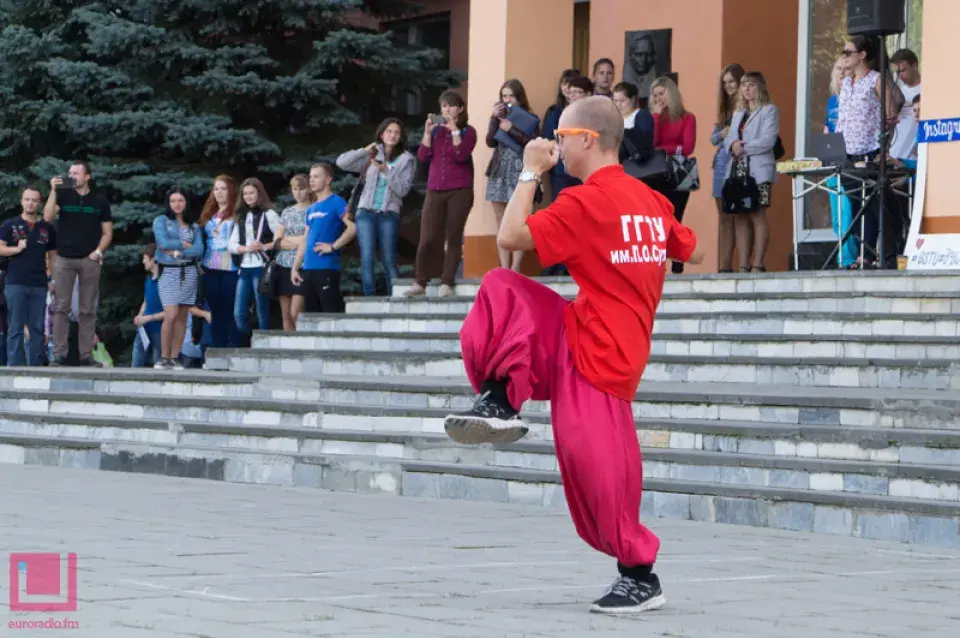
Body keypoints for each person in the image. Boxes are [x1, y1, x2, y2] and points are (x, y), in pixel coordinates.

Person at [443, 96, 703, 614]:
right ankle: (500, 399)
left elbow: (510, 233)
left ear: (587, 139)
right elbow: (690, 247)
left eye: (561, 136)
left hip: (603, 355)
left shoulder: (586, 203)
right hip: (583, 330)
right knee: (501, 287)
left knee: (598, 468)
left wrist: (528, 172)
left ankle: (639, 576)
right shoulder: (649, 201)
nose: (554, 144)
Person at [408, 90, 477, 298]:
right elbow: (422, 156)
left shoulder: (468, 131)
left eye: (451, 105)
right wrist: (428, 133)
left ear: (461, 109)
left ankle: (447, 281)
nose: (447, 109)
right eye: (444, 106)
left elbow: (461, 155)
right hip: (435, 188)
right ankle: (420, 281)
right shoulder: (436, 131)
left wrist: (454, 130)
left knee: (454, 236)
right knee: (427, 237)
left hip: (460, 189)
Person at [44, 161, 113, 366]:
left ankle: (86, 355)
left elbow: (108, 233)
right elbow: (47, 216)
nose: (71, 176)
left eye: (76, 173)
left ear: (87, 176)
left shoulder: (99, 201)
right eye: (70, 173)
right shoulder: (63, 195)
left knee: (87, 309)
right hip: (64, 258)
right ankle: (59, 353)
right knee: (61, 307)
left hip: (89, 259)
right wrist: (53, 190)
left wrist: (98, 251)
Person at [336, 118, 416, 296]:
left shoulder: (406, 159)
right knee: (367, 257)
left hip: (389, 214)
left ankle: (395, 298)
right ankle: (369, 297)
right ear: (381, 134)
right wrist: (364, 150)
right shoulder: (371, 154)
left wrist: (386, 171)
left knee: (389, 258)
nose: (393, 135)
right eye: (389, 131)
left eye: (396, 132)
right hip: (365, 212)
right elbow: (341, 163)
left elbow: (402, 190)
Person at [724, 71, 780, 273]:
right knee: (740, 215)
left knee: (757, 213)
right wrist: (732, 145)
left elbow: (768, 140)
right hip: (737, 168)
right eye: (744, 85)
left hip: (758, 169)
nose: (747, 88)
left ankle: (757, 263)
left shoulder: (769, 110)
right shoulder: (739, 113)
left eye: (752, 84)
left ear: (760, 87)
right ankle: (743, 264)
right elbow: (728, 138)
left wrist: (743, 147)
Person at [485, 79, 540, 271]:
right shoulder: (498, 117)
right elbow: (490, 142)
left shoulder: (530, 118)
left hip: (519, 172)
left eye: (511, 96)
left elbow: (532, 144)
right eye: (504, 96)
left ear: (519, 97)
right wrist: (494, 118)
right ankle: (504, 267)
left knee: (519, 220)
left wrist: (512, 129)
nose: (507, 100)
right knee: (501, 222)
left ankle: (515, 268)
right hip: (499, 170)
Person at [0, 186, 57, 366]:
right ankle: (15, 366)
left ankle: (36, 367)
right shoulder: (10, 224)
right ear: (22, 201)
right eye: (27, 199)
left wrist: (53, 278)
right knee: (15, 326)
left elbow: (53, 256)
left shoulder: (46, 228)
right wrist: (16, 249)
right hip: (15, 282)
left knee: (37, 327)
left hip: (39, 284)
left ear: (39, 203)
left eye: (34, 200)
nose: (30, 203)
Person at [291, 163, 356, 312]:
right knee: (311, 316)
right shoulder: (311, 209)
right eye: (311, 177)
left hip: (326, 268)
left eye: (316, 176)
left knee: (330, 314)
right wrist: (295, 268)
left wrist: (332, 246)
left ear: (328, 180)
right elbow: (305, 240)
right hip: (307, 270)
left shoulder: (337, 202)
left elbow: (352, 228)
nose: (311, 180)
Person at [152, 187, 204, 368]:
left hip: (189, 272)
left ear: (186, 202)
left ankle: (175, 357)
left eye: (180, 200)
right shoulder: (161, 221)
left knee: (182, 316)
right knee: (171, 314)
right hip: (168, 272)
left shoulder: (194, 225)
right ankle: (164, 356)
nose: (177, 204)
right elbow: (163, 242)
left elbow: (199, 250)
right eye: (173, 201)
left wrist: (177, 251)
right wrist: (183, 244)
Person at [650, 76, 697, 275]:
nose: (659, 98)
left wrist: (663, 149)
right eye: (656, 95)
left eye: (663, 93)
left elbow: (687, 148)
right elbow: (652, 145)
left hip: (680, 173)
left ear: (672, 93)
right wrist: (655, 117)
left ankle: (678, 267)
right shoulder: (654, 118)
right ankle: (657, 265)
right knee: (657, 221)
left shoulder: (687, 118)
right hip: (658, 174)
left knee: (676, 219)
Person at [228, 177, 283, 342]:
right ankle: (255, 337)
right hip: (245, 268)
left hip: (261, 267)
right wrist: (245, 249)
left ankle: (264, 343)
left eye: (252, 193)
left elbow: (280, 240)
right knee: (238, 314)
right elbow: (231, 244)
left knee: (262, 310)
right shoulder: (241, 216)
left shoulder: (270, 214)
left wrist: (264, 246)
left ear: (259, 193)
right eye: (245, 193)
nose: (248, 196)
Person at [198, 175, 241, 348]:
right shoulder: (208, 213)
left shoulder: (237, 213)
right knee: (215, 309)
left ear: (231, 190)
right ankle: (218, 347)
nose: (219, 192)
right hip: (209, 266)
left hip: (231, 266)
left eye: (223, 188)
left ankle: (236, 347)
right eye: (216, 189)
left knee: (229, 308)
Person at [712, 63, 745, 272]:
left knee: (738, 216)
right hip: (720, 162)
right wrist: (722, 134)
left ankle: (742, 264)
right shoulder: (725, 108)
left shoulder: (746, 106)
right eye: (725, 83)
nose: (728, 86)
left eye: (732, 81)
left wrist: (724, 135)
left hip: (737, 162)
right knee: (724, 217)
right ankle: (723, 267)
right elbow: (714, 137)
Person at [273, 174, 312, 330]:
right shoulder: (287, 212)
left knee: (296, 312)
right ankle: (288, 349)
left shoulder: (313, 210)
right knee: (286, 315)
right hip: (283, 265)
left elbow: (309, 241)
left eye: (301, 189)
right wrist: (298, 241)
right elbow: (277, 241)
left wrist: (290, 240)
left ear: (309, 189)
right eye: (294, 189)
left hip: (302, 265)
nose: (298, 193)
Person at [132, 244, 164, 368]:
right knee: (136, 363)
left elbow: (169, 312)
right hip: (144, 328)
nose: (143, 261)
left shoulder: (164, 282)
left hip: (159, 331)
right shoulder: (148, 279)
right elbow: (146, 302)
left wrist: (148, 318)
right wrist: (140, 316)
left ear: (153, 259)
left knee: (158, 364)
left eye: (145, 258)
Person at [888, 48, 921, 162]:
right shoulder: (899, 92)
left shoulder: (927, 89)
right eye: (896, 72)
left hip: (913, 157)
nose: (899, 76)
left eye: (902, 71)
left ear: (915, 65)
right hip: (895, 153)